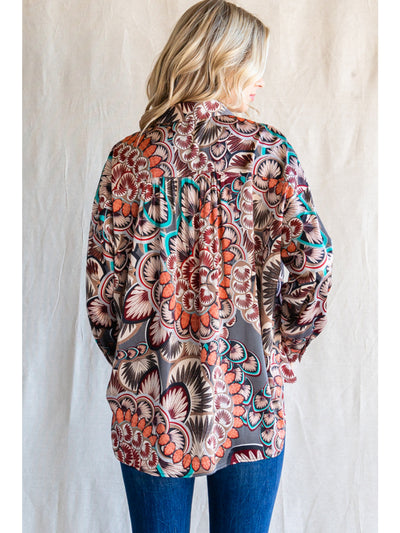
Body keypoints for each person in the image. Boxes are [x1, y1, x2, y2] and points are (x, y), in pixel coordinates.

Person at [85, 0, 333, 531]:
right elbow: (313, 261)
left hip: (152, 400)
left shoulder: (128, 159)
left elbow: (102, 298)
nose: (261, 81)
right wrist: (282, 345)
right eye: (254, 65)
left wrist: (136, 358)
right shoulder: (267, 154)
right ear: (224, 62)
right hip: (250, 395)